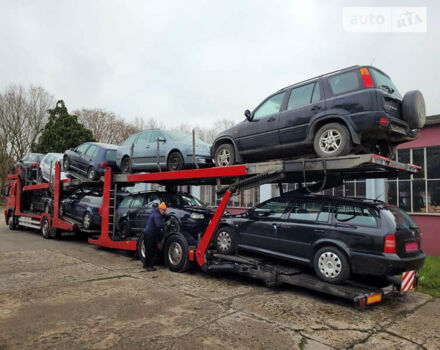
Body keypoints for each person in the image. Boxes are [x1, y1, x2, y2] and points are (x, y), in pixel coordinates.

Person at [141, 201, 167, 271]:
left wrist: (167, 216)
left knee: (153, 250)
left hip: (151, 235)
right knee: (149, 251)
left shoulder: (156, 212)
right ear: (160, 209)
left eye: (165, 211)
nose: (164, 212)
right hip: (149, 235)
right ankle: (147, 266)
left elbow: (163, 215)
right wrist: (166, 223)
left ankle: (149, 265)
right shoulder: (156, 215)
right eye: (164, 211)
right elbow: (158, 225)